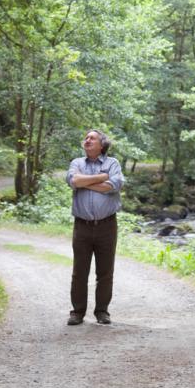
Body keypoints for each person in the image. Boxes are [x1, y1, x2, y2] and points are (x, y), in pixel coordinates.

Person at [65, 129, 124, 326]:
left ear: (102, 145)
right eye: (86, 138)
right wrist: (100, 178)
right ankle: (77, 312)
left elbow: (113, 185)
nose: (87, 140)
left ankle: (102, 311)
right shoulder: (77, 163)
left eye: (92, 138)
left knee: (105, 271)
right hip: (82, 226)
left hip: (107, 225)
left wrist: (85, 182)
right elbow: (73, 181)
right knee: (79, 271)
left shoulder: (112, 163)